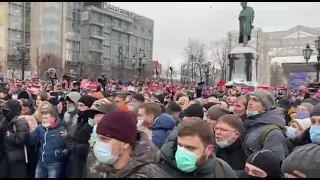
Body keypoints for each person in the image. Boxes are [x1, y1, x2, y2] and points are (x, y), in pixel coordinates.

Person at [87, 110, 170, 178]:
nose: (98, 144)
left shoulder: (150, 174)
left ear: (125, 143)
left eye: (104, 139)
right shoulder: (98, 166)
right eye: (98, 138)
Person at [160, 120, 237, 178]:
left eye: (190, 148)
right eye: (179, 145)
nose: (182, 152)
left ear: (209, 150)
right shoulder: (159, 164)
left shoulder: (221, 170)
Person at [244, 90, 289, 161]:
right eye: (250, 99)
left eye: (255, 100)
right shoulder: (251, 122)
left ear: (265, 106)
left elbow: (273, 162)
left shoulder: (273, 132)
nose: (250, 103)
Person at [28, 107, 69, 178]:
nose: (43, 120)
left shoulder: (61, 129)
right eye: (43, 118)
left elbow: (68, 145)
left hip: (55, 163)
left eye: (46, 118)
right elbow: (31, 139)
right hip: (41, 161)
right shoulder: (40, 128)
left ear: (53, 119)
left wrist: (62, 153)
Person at [65, 95, 97, 178]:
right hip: (76, 157)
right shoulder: (80, 119)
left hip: (85, 158)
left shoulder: (92, 122)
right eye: (78, 105)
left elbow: (84, 138)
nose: (79, 108)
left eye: (82, 106)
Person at [2, 100, 31, 178]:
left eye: (7, 110)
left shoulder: (21, 121)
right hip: (6, 156)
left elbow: (22, 139)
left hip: (17, 158)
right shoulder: (5, 121)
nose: (4, 112)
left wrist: (10, 136)